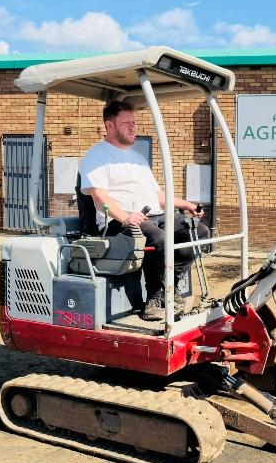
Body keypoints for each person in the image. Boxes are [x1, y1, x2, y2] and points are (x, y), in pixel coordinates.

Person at [80, 100, 209, 321]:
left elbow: (158, 196)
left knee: (199, 232)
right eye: (126, 123)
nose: (133, 127)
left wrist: (187, 205)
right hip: (118, 222)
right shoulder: (96, 156)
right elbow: (100, 197)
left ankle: (170, 285)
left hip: (152, 217)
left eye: (134, 122)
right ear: (110, 126)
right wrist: (126, 217)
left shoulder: (138, 159)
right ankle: (153, 301)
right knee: (159, 239)